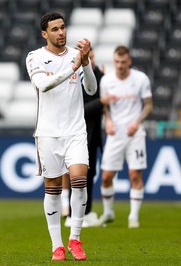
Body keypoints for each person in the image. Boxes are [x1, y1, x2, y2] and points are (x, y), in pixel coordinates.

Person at [25, 12, 97, 261]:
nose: (61, 32)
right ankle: (57, 245)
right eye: (54, 29)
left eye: (63, 27)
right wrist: (73, 67)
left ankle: (75, 239)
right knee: (53, 188)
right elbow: (43, 85)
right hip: (47, 133)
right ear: (45, 33)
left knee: (79, 179)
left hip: (75, 130)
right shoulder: (35, 57)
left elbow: (91, 89)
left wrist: (85, 63)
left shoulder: (76, 58)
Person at [97, 45, 153, 229]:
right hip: (115, 134)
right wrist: (108, 121)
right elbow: (104, 105)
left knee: (134, 174)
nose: (119, 65)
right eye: (116, 62)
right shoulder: (107, 81)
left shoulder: (140, 79)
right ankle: (108, 212)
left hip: (135, 133)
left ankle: (133, 217)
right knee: (106, 176)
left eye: (123, 62)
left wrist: (137, 122)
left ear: (129, 61)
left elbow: (148, 105)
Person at [61, 48, 110, 228]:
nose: (89, 59)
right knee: (80, 176)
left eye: (91, 55)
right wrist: (101, 102)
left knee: (90, 174)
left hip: (94, 133)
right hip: (81, 133)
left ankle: (86, 212)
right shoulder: (76, 78)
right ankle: (72, 215)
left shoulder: (99, 75)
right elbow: (80, 108)